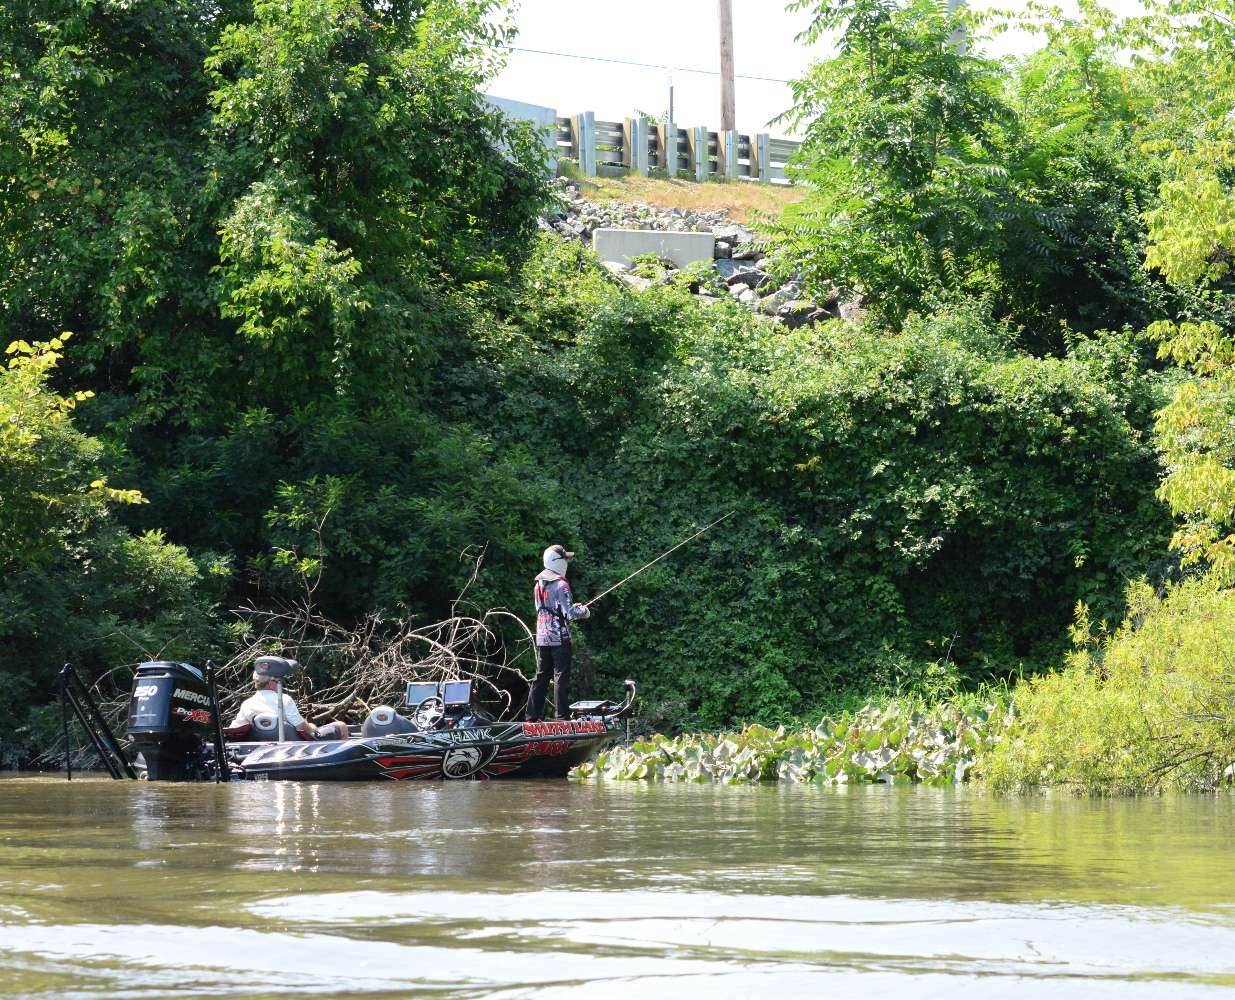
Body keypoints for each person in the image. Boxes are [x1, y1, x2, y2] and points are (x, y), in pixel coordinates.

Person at [528, 544, 592, 722]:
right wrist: (584, 611)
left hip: (542, 636)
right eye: (564, 558)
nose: (566, 562)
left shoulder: (538, 584)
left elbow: (542, 609)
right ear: (556, 561)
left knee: (541, 676)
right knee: (561, 677)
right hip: (559, 637)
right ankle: (561, 718)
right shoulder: (561, 584)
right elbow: (569, 613)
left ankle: (531, 717)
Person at [229, 667, 349, 741]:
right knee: (342, 726)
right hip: (293, 744)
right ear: (271, 683)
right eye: (277, 681)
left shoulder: (247, 704)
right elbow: (300, 727)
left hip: (262, 745)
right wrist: (312, 727)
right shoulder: (284, 699)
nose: (278, 684)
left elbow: (235, 728)